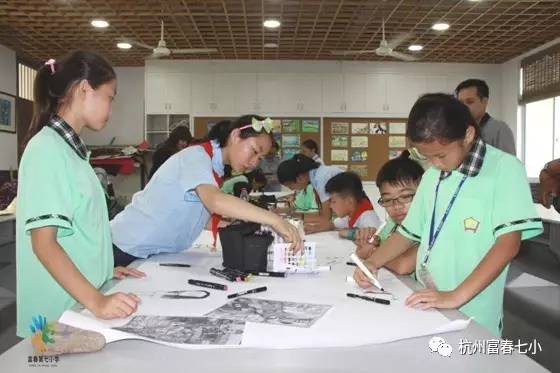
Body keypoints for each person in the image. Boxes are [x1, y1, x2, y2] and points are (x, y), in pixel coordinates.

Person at [354, 93, 542, 336]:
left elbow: (508, 245)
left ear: (468, 135)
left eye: (441, 155)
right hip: (428, 300)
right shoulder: (434, 176)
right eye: (426, 156)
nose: (434, 163)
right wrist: (372, 263)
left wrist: (455, 297)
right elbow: (408, 233)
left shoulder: (505, 169)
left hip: (473, 307)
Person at [16, 51, 144, 337]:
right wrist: (98, 301)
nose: (111, 108)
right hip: (57, 317)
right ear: (84, 89)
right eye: (110, 97)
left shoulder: (74, 152)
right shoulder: (47, 149)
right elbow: (44, 244)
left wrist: (102, 268)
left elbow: (80, 229)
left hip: (79, 304)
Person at [111, 115, 303, 267]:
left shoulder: (214, 168)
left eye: (260, 158)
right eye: (254, 151)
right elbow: (216, 202)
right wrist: (275, 220)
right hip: (123, 247)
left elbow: (194, 214)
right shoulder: (196, 157)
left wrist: (239, 224)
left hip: (148, 253)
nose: (254, 163)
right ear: (235, 136)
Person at [354, 154, 424, 275]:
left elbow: (403, 265)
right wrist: (368, 241)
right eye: (387, 200)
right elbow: (364, 248)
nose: (396, 206)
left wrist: (372, 253)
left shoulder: (426, 225)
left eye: (406, 196)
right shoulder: (391, 223)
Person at [277, 154, 342, 233]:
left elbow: (325, 218)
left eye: (290, 185)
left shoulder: (320, 179)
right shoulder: (316, 175)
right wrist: (291, 213)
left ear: (300, 178)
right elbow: (322, 213)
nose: (291, 189)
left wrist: (294, 215)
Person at [455, 79, 516, 156]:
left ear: (484, 102)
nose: (463, 107)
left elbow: (509, 164)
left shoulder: (499, 129)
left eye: (470, 102)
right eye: (460, 103)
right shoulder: (457, 129)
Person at [324, 171, 381, 239]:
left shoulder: (368, 217)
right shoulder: (351, 214)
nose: (330, 206)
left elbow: (374, 238)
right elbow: (336, 223)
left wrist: (348, 233)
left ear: (349, 201)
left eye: (333, 202)